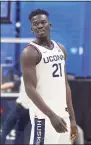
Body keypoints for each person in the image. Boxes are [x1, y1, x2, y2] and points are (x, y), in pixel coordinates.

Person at [21, 9, 78, 144]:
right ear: (31, 29)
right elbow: (29, 89)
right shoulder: (29, 52)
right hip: (43, 116)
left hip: (63, 113)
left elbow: (65, 85)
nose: (40, 26)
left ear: (49, 25)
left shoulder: (61, 49)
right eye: (36, 24)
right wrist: (51, 115)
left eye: (43, 22)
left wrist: (72, 118)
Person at [1, 77, 31, 144]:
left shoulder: (24, 77)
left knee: (5, 129)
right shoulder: (37, 79)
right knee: (20, 132)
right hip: (28, 110)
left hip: (20, 107)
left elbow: (12, 85)